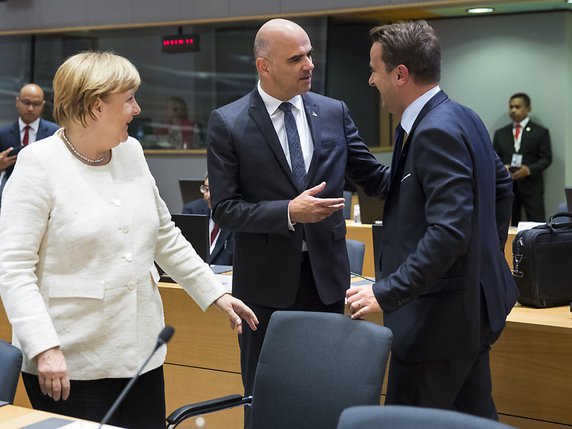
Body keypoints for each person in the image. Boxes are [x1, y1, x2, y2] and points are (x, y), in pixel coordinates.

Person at [0, 51, 258, 429]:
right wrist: (44, 347)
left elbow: (164, 235)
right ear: (94, 106)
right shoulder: (38, 164)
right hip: (69, 360)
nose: (137, 110)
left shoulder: (131, 153)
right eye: (129, 99)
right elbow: (14, 270)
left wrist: (214, 292)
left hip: (141, 353)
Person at [206, 18, 388, 427]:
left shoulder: (333, 111)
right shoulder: (229, 122)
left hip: (327, 282)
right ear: (264, 66)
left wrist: (425, 160)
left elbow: (375, 179)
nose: (309, 65)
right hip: (264, 290)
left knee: (326, 395)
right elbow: (226, 209)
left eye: (310, 54)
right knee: (265, 400)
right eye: (296, 58)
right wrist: (289, 211)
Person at [346, 21, 519, 420]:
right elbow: (502, 187)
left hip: (435, 325)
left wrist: (387, 292)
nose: (371, 81)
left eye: (375, 70)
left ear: (401, 74)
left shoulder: (433, 131)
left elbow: (448, 230)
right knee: (475, 418)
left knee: (409, 421)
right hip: (468, 313)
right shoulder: (462, 115)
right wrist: (481, 260)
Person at [493, 93, 552, 225]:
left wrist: (529, 169)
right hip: (508, 187)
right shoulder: (500, 133)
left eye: (518, 106)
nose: (513, 110)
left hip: (532, 187)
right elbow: (494, 158)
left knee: (537, 225)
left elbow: (546, 158)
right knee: (508, 225)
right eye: (511, 107)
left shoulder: (540, 132)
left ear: (528, 108)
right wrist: (503, 168)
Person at [0, 83, 59, 206]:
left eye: (36, 104)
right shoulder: (3, 134)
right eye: (26, 102)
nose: (31, 108)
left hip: (45, 194)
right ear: (17, 102)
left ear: (43, 105)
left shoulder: (55, 133)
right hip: (9, 195)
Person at [183, 174, 234, 265]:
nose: (208, 195)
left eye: (215, 190)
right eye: (206, 189)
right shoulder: (192, 211)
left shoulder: (238, 218)